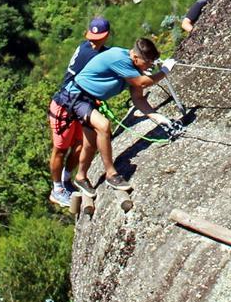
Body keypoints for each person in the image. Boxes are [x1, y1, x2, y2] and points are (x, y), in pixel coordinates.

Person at [54, 37, 176, 199]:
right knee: (104, 126)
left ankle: (80, 177)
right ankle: (111, 174)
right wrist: (164, 72)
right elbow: (142, 83)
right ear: (136, 58)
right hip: (76, 95)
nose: (149, 67)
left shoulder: (133, 67)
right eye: (148, 63)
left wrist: (161, 119)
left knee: (90, 144)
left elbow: (138, 99)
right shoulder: (120, 59)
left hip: (87, 100)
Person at [47, 17, 111, 208]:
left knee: (82, 143)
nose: (93, 41)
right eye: (91, 37)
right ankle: (57, 190)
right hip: (65, 105)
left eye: (97, 37)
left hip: (79, 104)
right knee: (60, 149)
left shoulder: (98, 51)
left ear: (106, 36)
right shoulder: (88, 53)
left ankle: (66, 178)